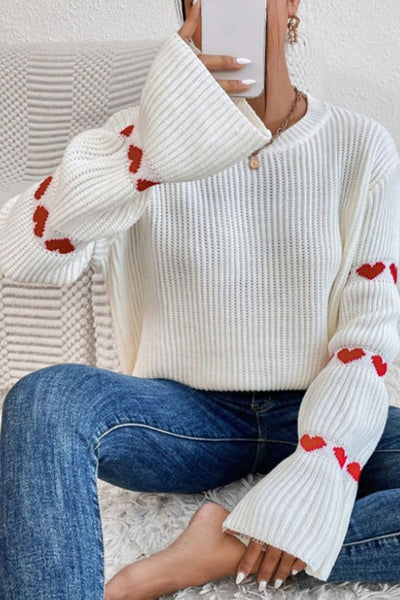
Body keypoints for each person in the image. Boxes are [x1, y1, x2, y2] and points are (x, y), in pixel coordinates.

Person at [1, 0, 400, 597]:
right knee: (46, 401)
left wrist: (324, 466)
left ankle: (216, 553)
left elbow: (369, 331)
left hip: (314, 409)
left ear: (290, 4)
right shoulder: (141, 137)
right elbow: (24, 253)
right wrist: (154, 147)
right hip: (182, 418)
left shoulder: (360, 144)